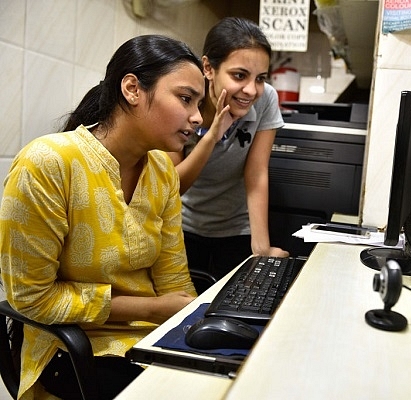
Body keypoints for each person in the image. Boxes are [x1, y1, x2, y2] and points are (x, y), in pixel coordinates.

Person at [0, 35, 204, 400]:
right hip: (72, 349)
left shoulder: (162, 171)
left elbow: (176, 281)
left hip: (150, 339)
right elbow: (32, 300)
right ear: (132, 89)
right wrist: (154, 308)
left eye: (199, 103)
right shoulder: (48, 163)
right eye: (186, 99)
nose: (198, 117)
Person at [169, 17, 289, 281]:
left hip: (238, 229)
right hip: (183, 227)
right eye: (239, 75)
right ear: (209, 68)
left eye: (260, 78)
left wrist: (261, 250)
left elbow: (256, 173)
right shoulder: (186, 102)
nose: (251, 90)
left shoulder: (266, 98)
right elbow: (172, 186)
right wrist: (212, 136)